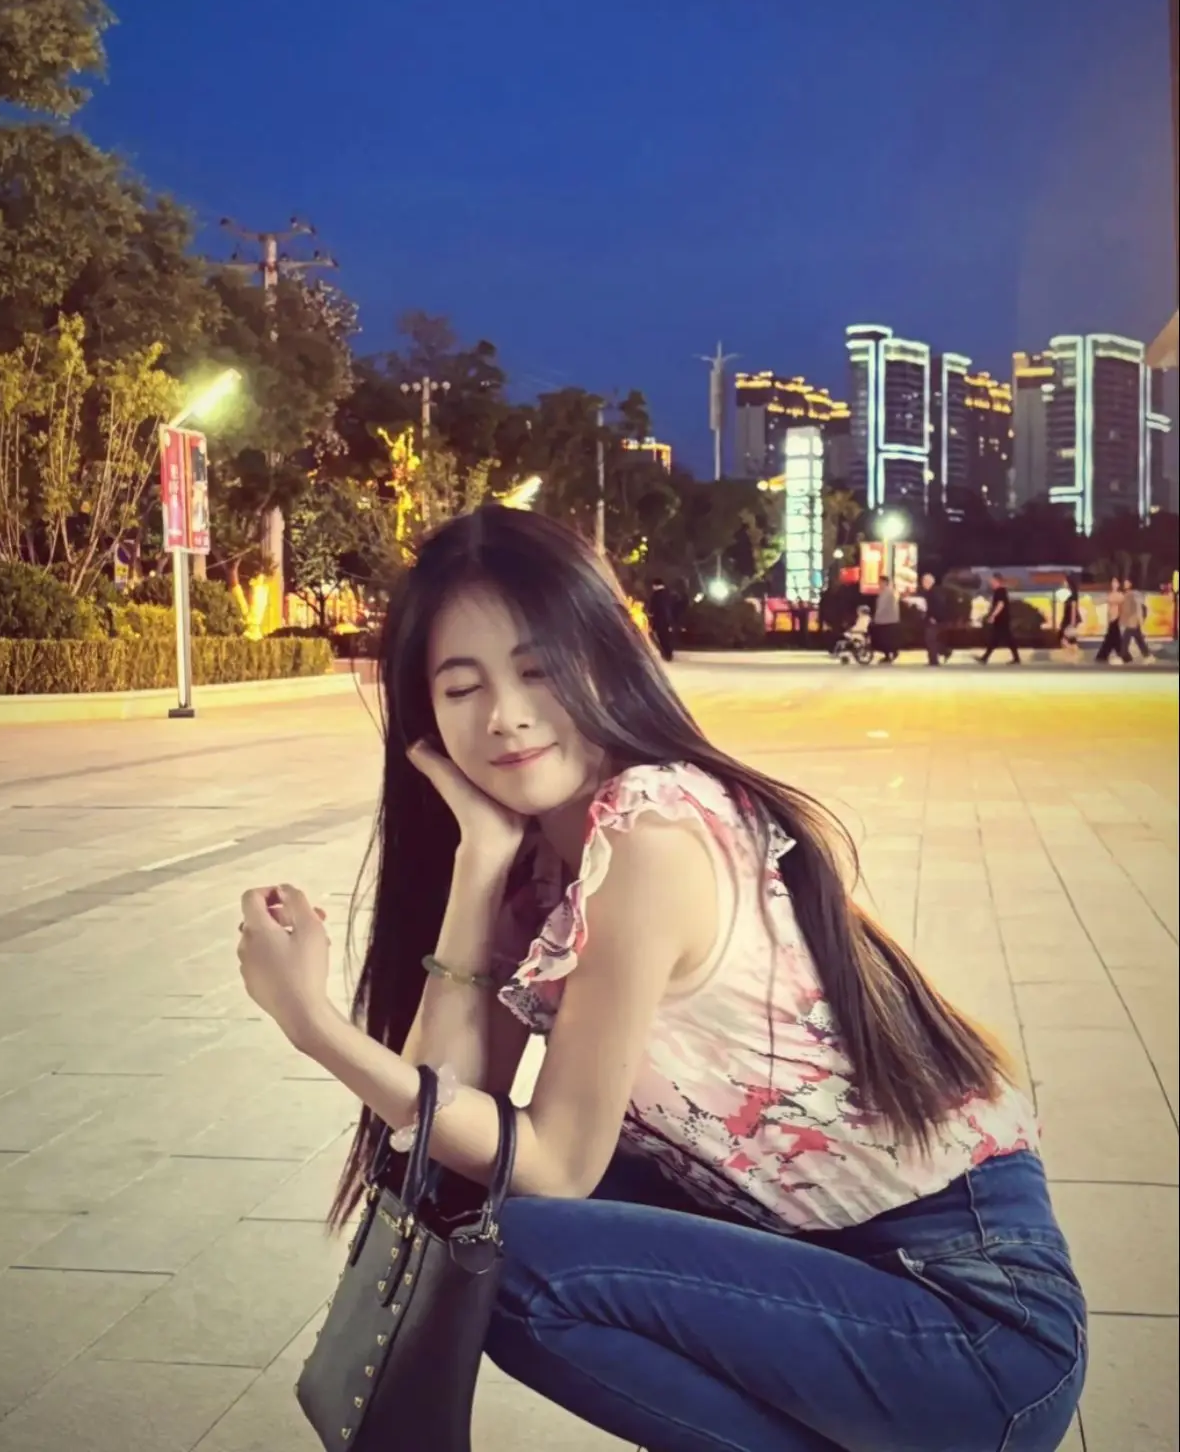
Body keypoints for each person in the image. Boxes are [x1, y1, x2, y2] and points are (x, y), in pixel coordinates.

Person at [235, 507, 1085, 1452]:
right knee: (483, 1211)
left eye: (538, 669)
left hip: (971, 1326)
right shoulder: (544, 860)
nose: (505, 715)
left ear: (605, 656)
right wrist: (479, 863)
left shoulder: (650, 835)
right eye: (462, 687)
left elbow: (555, 1163)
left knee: (514, 1258)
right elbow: (447, 1125)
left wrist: (315, 1027)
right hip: (843, 1271)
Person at [976, 573, 1021, 665]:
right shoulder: (999, 591)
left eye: (992, 581)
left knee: (1003, 638)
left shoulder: (1000, 591)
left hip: (1002, 619)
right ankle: (985, 657)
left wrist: (993, 616)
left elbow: (1001, 604)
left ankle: (985, 658)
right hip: (1002, 618)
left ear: (997, 581)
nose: (990, 583)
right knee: (999, 639)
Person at [919, 571, 951, 666]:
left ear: (929, 582)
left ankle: (934, 660)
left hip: (936, 620)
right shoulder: (930, 592)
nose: (922, 583)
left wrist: (934, 617)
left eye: (924, 581)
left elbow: (939, 606)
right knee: (931, 639)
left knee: (930, 639)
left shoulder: (934, 592)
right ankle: (944, 651)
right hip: (934, 619)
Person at [1120, 578, 1152, 663]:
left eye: (1127, 582)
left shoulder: (1134, 594)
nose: (1125, 584)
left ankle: (1123, 657)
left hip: (1133, 621)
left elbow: (1139, 607)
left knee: (1125, 640)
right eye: (1124, 582)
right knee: (1139, 639)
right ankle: (1148, 656)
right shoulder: (1126, 594)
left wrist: (1140, 619)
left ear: (1131, 584)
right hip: (1130, 621)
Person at [872, 574, 900, 663]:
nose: (879, 584)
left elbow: (881, 606)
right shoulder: (889, 591)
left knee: (885, 639)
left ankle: (890, 654)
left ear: (884, 582)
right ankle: (891, 653)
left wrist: (875, 618)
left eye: (880, 582)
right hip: (890, 619)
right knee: (889, 638)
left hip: (886, 620)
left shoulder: (886, 592)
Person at [647, 576, 676, 663]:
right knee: (666, 637)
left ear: (656, 585)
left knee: (662, 637)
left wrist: (650, 613)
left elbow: (654, 607)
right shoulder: (668, 594)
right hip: (667, 619)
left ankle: (666, 654)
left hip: (660, 619)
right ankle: (668, 653)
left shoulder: (656, 595)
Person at [1096, 577, 1125, 664]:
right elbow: (1105, 603)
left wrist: (1120, 618)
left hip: (1116, 619)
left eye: (1115, 582)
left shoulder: (1120, 595)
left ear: (1118, 584)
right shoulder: (1110, 594)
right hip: (1110, 619)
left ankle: (1102, 656)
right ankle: (1124, 655)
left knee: (1112, 639)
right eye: (1113, 582)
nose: (1114, 584)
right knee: (1114, 639)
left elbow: (1121, 607)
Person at [1057, 574, 1083, 662]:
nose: (1064, 583)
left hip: (1069, 620)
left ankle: (1072, 654)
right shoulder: (1068, 595)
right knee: (1070, 639)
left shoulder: (1072, 596)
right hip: (1067, 619)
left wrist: (1072, 623)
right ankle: (1073, 654)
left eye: (1065, 581)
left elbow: (1073, 609)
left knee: (1064, 638)